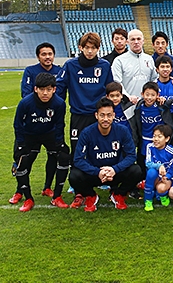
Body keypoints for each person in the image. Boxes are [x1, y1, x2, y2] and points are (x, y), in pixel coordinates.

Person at [69, 98, 142, 212]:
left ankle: (118, 194)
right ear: (96, 115)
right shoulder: (87, 133)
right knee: (74, 176)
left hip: (115, 173)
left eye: (109, 115)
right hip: (96, 174)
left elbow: (131, 156)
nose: (106, 119)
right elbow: (78, 159)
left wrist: (115, 169)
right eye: (102, 115)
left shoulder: (122, 131)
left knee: (136, 170)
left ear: (113, 116)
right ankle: (91, 195)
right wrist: (97, 172)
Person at [12, 73, 70, 212]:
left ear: (54, 89)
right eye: (42, 89)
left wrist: (60, 142)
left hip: (49, 134)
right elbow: (18, 124)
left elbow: (60, 124)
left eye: (49, 89)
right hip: (29, 135)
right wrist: (20, 144)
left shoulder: (59, 103)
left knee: (64, 156)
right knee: (22, 161)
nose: (45, 93)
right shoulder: (25, 103)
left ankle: (56, 196)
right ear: (35, 89)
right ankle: (28, 198)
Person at [56, 32, 114, 157]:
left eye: (93, 48)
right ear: (80, 47)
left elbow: (110, 90)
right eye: (87, 47)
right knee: (78, 152)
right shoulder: (70, 65)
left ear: (98, 48)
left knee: (99, 150)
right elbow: (59, 87)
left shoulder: (104, 66)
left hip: (98, 116)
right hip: (79, 115)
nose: (90, 51)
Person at [17, 42, 61, 199]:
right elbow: (26, 94)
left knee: (54, 156)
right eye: (44, 54)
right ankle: (19, 190)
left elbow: (61, 94)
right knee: (26, 158)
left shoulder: (59, 71)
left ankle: (47, 187)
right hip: (32, 124)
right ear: (38, 56)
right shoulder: (30, 71)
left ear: (54, 55)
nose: (47, 57)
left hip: (50, 124)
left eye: (50, 54)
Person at [111, 29, 157, 105]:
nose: (136, 42)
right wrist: (128, 96)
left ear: (143, 41)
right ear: (127, 42)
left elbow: (154, 80)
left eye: (138, 39)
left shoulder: (149, 59)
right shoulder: (119, 60)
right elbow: (117, 82)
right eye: (132, 39)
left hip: (147, 104)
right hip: (127, 104)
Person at [143, 124, 173, 211]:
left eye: (159, 136)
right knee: (151, 172)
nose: (155, 139)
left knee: (161, 188)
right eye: (154, 136)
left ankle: (162, 195)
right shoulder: (150, 146)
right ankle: (148, 201)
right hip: (155, 176)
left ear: (167, 139)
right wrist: (159, 166)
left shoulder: (171, 150)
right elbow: (148, 163)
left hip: (167, 177)